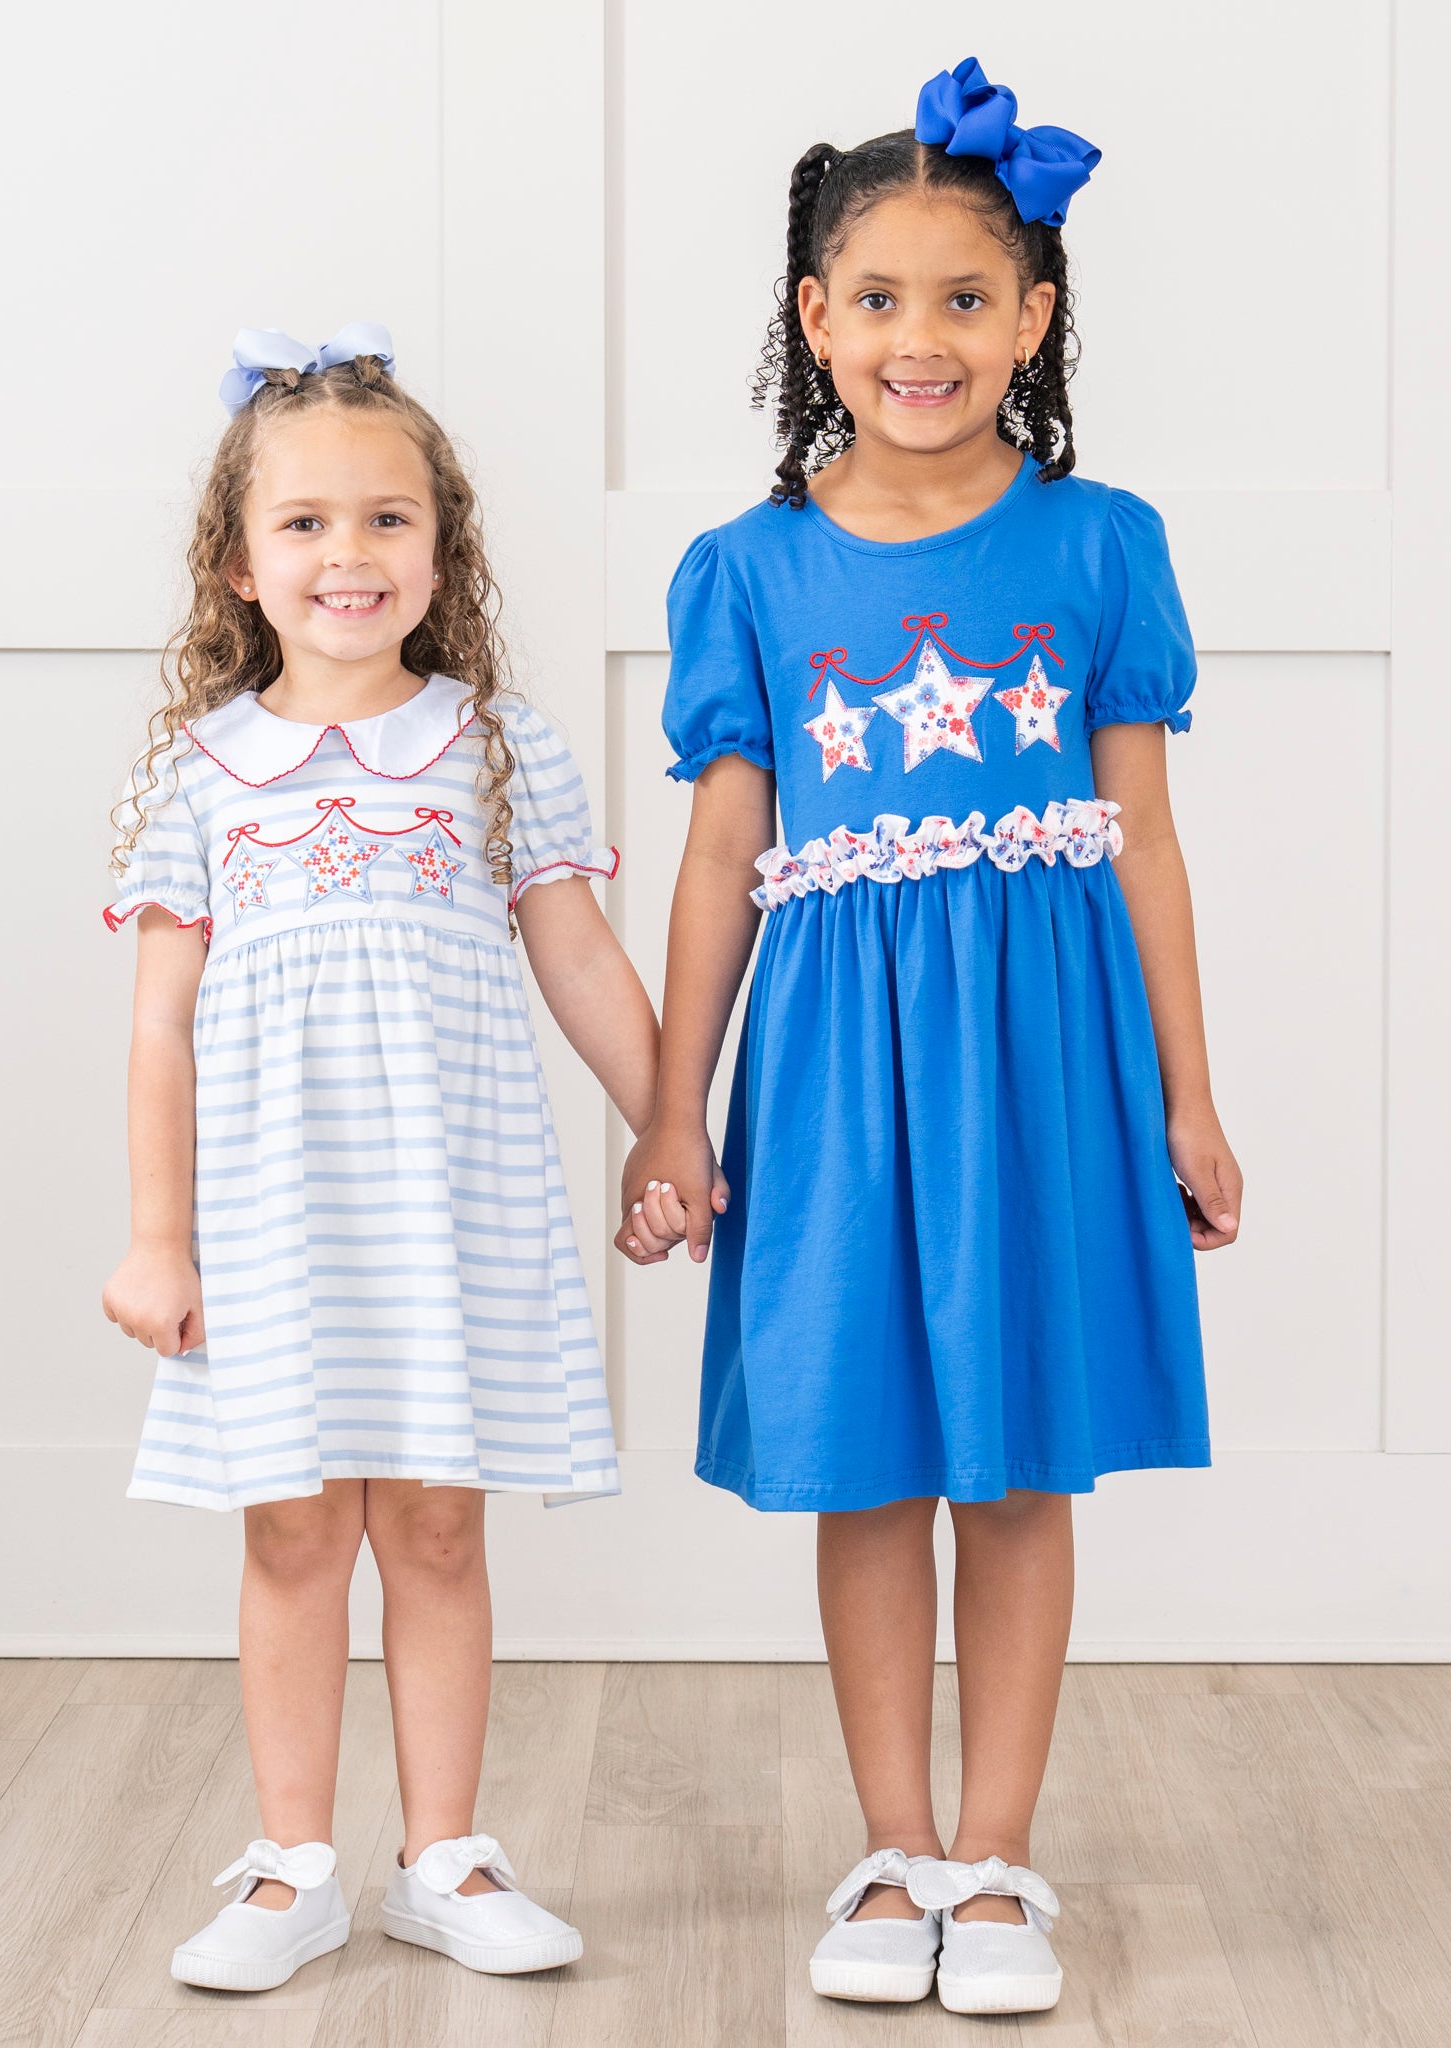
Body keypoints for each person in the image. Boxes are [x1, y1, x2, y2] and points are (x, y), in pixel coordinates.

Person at [618, 60, 1241, 2016]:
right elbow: (718, 864)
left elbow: (1146, 842)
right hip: (833, 1078)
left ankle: (997, 1862)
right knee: (870, 1457)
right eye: (879, 298)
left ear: (1033, 317)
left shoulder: (1100, 544)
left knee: (1020, 1463)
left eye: (967, 298)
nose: (922, 338)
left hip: (1044, 1070)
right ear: (815, 319)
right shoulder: (747, 572)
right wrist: (672, 1112)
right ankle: (892, 1849)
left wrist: (1191, 1096)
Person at [102, 325, 656, 1991]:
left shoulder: (499, 747)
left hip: (449, 1211)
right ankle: (293, 1867)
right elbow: (159, 1028)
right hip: (271, 1219)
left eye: (386, 518)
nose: (348, 554)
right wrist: (157, 1239)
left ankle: (444, 1855)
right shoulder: (203, 773)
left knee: (434, 1529)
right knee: (288, 1534)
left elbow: (579, 961)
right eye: (305, 523)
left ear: (441, 547)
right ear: (239, 564)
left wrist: (674, 1126)